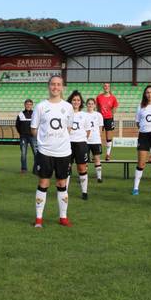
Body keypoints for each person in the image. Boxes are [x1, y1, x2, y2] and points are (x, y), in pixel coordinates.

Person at [32, 75, 74, 228]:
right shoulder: (40, 106)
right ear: (48, 86)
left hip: (63, 152)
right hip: (45, 152)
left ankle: (63, 217)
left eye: (58, 84)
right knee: (43, 182)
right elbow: (34, 129)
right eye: (53, 84)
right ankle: (38, 219)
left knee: (62, 183)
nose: (55, 87)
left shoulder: (68, 107)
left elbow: (68, 128)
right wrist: (46, 141)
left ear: (62, 87)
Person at [67, 90, 92, 200]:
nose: (76, 102)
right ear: (70, 101)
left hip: (81, 144)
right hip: (67, 144)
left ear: (80, 102)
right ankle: (64, 191)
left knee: (81, 168)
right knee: (66, 168)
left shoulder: (85, 115)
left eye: (78, 100)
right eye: (74, 100)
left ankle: (84, 192)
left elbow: (87, 131)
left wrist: (80, 139)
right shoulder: (66, 114)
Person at [96, 83, 119, 161]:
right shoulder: (99, 97)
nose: (106, 87)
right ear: (103, 87)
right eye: (105, 86)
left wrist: (110, 115)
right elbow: (98, 108)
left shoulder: (113, 98)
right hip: (100, 119)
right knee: (98, 135)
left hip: (109, 118)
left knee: (108, 137)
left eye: (108, 86)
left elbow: (114, 108)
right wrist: (100, 116)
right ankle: (96, 154)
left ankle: (108, 154)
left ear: (110, 88)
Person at [85, 98, 104, 183]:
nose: (90, 105)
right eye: (89, 103)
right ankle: (84, 177)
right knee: (84, 160)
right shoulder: (84, 115)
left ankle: (99, 177)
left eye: (92, 103)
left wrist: (98, 137)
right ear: (86, 105)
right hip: (85, 141)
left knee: (97, 158)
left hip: (96, 140)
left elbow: (100, 128)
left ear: (95, 105)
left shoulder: (98, 115)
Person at [16, 99, 36, 173]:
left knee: (36, 153)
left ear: (32, 105)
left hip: (33, 137)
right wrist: (21, 133)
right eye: (27, 104)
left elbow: (38, 124)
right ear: (24, 105)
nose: (28, 106)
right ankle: (24, 168)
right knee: (23, 153)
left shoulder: (35, 114)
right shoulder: (20, 114)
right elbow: (17, 125)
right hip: (23, 137)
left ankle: (36, 168)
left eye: (30, 104)